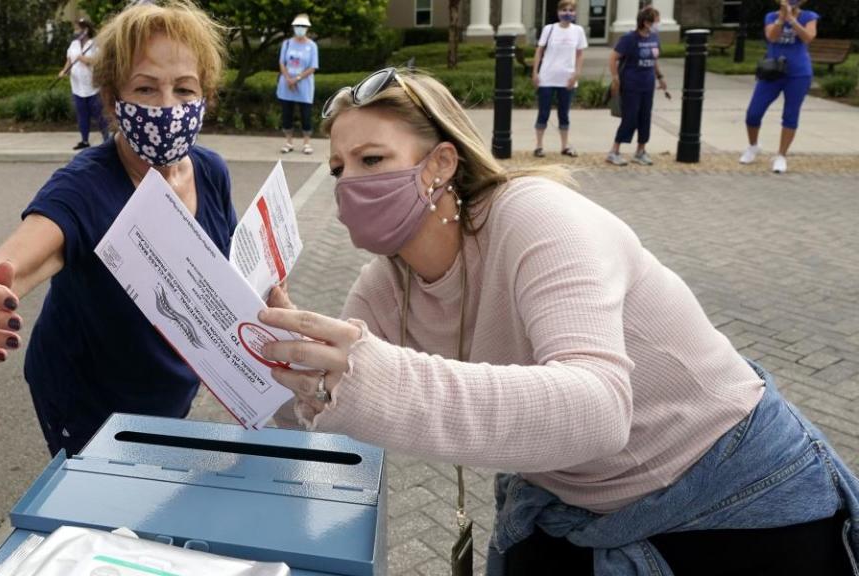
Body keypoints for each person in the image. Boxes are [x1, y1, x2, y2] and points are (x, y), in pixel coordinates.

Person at [257, 67, 859, 574]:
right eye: (338, 169)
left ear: (440, 163)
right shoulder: (386, 284)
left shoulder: (537, 217)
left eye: (372, 158)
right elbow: (329, 419)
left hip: (729, 491)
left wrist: (371, 378)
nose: (350, 184)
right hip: (574, 498)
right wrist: (266, 364)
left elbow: (597, 409)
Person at [0, 0, 237, 457]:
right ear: (113, 98)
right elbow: (21, 256)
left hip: (168, 391)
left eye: (183, 89)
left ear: (206, 96)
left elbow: (226, 275)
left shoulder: (210, 172)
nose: (167, 107)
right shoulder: (86, 185)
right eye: (146, 88)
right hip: (87, 404)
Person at [740, 0, 818, 174]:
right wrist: (781, 19)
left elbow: (808, 37)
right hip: (772, 71)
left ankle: (781, 155)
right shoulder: (771, 16)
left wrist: (793, 20)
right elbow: (772, 37)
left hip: (798, 73)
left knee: (790, 114)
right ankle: (753, 146)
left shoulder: (809, 16)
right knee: (754, 112)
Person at [606, 7, 667, 166]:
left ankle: (640, 151)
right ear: (646, 22)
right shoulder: (629, 39)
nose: (658, 24)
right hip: (631, 84)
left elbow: (654, 60)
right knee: (630, 118)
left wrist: (660, 77)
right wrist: (615, 78)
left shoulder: (654, 38)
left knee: (645, 117)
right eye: (656, 21)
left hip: (648, 84)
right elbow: (613, 58)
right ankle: (614, 151)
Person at [531, 0, 587, 158]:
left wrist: (577, 74)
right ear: (558, 12)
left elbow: (580, 54)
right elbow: (539, 51)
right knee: (543, 112)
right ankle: (539, 146)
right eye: (564, 10)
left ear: (575, 13)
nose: (567, 13)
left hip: (567, 79)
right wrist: (535, 72)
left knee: (564, 113)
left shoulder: (578, 31)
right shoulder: (549, 29)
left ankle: (564, 146)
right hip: (547, 78)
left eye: (571, 10)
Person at [59, 18, 110, 150]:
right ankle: (84, 140)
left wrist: (85, 59)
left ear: (85, 30)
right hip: (77, 87)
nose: (75, 31)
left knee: (100, 115)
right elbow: (69, 60)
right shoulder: (73, 45)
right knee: (82, 115)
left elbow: (98, 61)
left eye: (78, 28)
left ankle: (107, 140)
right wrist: (64, 71)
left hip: (92, 87)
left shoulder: (94, 44)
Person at [276, 14, 319, 155]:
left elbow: (313, 67)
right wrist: (288, 78)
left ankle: (307, 143)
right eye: (297, 26)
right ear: (293, 27)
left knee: (305, 114)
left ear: (307, 28)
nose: (300, 29)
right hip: (286, 85)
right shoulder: (287, 43)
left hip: (304, 86)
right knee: (286, 114)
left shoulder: (312, 46)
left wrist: (297, 79)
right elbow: (282, 63)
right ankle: (288, 142)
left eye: (303, 27)